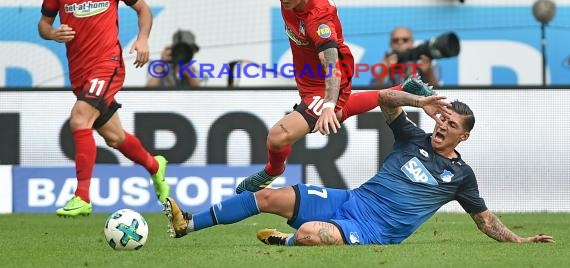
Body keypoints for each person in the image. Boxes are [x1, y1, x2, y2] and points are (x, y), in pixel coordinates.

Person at [162, 89, 555, 245]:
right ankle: (187, 225)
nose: (441, 125)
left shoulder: (460, 176)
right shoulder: (413, 137)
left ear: (463, 137)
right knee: (264, 195)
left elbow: (484, 220)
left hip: (373, 230)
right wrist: (420, 103)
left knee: (314, 234)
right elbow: (386, 104)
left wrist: (519, 242)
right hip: (350, 200)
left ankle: (286, 242)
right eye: (442, 118)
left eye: (451, 125)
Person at [195, 0, 434, 194]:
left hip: (328, 79)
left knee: (278, 137)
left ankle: (273, 170)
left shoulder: (318, 20)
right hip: (307, 75)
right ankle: (401, 90)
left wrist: (329, 104)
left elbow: (331, 66)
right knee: (338, 113)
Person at [37, 0, 169, 217]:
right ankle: (154, 165)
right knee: (114, 137)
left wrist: (143, 38)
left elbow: (143, 9)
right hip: (79, 72)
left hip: (107, 65)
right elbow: (43, 25)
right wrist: (52, 33)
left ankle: (82, 196)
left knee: (79, 119)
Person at [371, 26, 439, 88]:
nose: (400, 42)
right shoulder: (382, 65)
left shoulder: (425, 61)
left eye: (405, 40)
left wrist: (428, 72)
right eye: (395, 40)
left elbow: (438, 91)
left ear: (412, 42)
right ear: (390, 44)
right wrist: (384, 70)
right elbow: (373, 93)